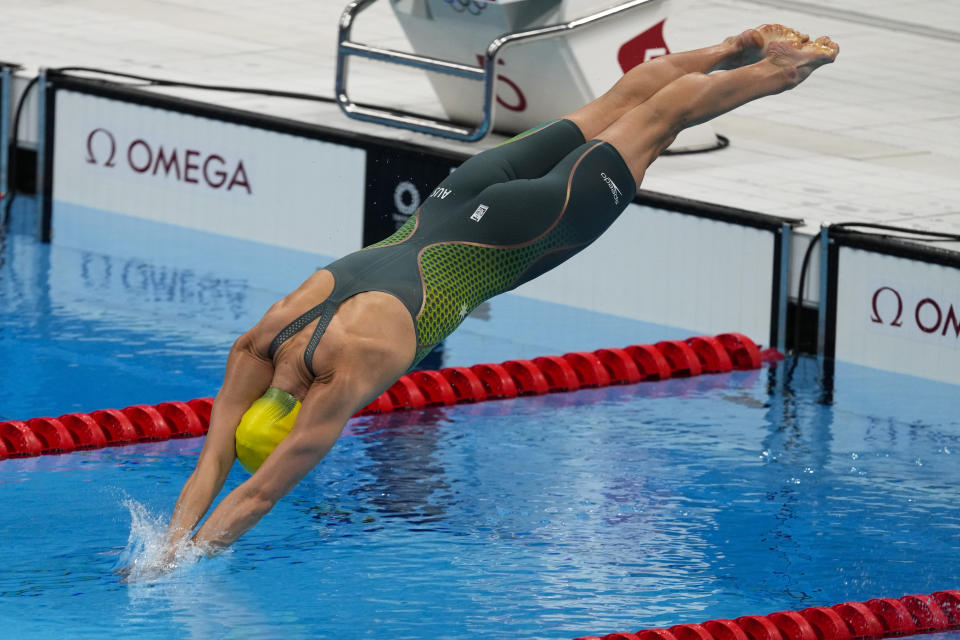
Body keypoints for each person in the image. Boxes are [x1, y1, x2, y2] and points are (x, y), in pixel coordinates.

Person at [138, 24, 838, 574]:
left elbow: (256, 493)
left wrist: (188, 559)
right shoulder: (262, 340)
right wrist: (167, 542)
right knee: (616, 105)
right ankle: (731, 48)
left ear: (292, 423)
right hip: (460, 193)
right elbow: (214, 462)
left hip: (523, 225)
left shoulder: (350, 374)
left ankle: (786, 67)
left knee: (657, 123)